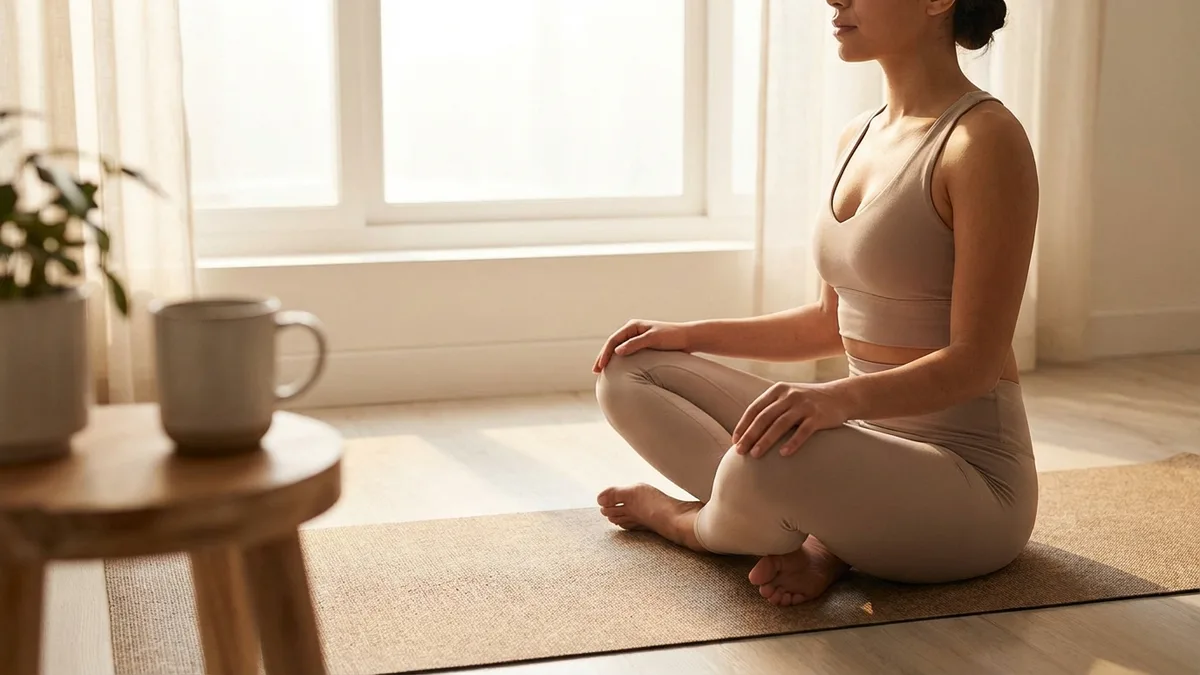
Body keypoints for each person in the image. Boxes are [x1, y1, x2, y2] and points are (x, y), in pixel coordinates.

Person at [592, 0, 1038, 607]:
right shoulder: (857, 135)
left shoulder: (983, 140)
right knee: (627, 372)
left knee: (766, 459)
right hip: (855, 443)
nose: (833, 0)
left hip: (968, 484)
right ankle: (817, 537)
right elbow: (829, 322)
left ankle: (686, 523)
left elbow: (977, 362)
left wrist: (834, 399)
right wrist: (687, 334)